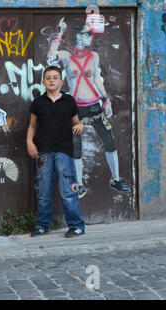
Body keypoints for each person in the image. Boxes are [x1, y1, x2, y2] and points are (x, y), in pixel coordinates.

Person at [47, 17, 130, 198]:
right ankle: (80, 184)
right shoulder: (67, 57)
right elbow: (51, 56)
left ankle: (115, 179)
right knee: (77, 149)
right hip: (76, 109)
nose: (91, 37)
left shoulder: (94, 57)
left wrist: (106, 100)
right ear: (78, 37)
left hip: (94, 106)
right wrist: (59, 33)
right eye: (87, 34)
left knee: (109, 141)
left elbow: (97, 80)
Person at [26, 66, 86, 238]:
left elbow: (76, 122)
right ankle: (43, 225)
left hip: (63, 151)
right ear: (43, 81)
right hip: (43, 151)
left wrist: (80, 125)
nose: (51, 80)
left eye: (55, 77)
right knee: (43, 190)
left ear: (61, 81)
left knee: (68, 189)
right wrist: (29, 142)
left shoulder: (69, 101)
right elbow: (32, 126)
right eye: (48, 77)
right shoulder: (38, 102)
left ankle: (76, 225)